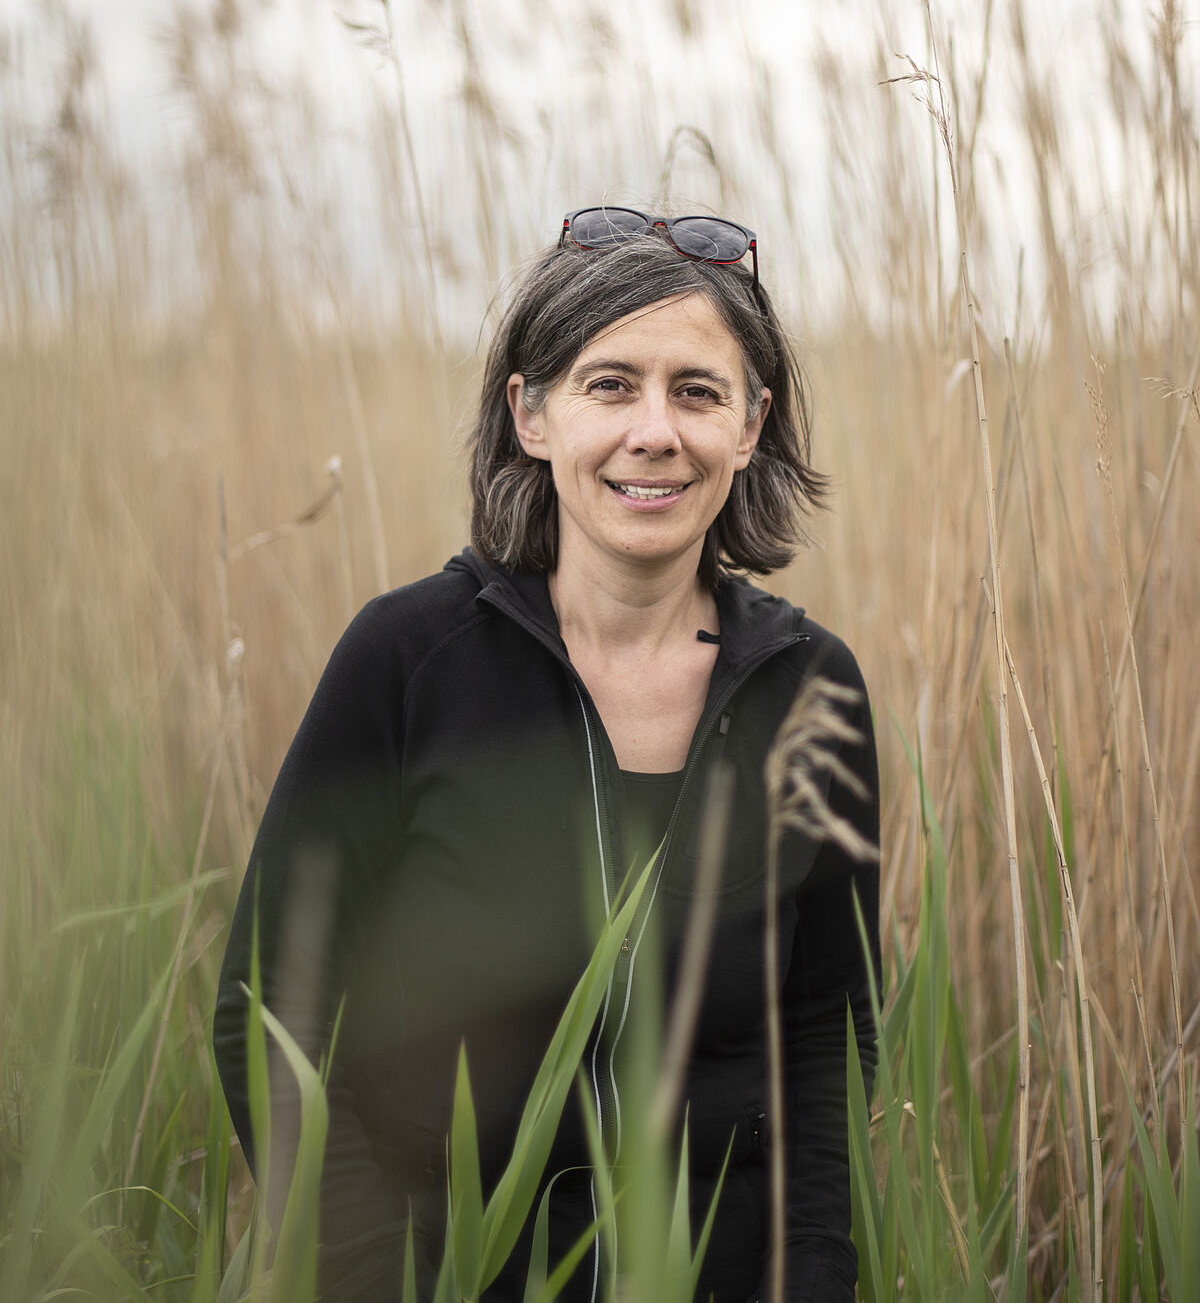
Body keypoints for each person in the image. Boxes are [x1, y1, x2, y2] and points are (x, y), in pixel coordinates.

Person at [214, 208, 881, 1303]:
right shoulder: (409, 660)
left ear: (752, 426)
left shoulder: (809, 688)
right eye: (609, 384)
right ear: (531, 412)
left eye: (698, 391)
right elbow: (270, 1002)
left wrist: (812, 1277)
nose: (655, 429)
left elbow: (822, 1031)